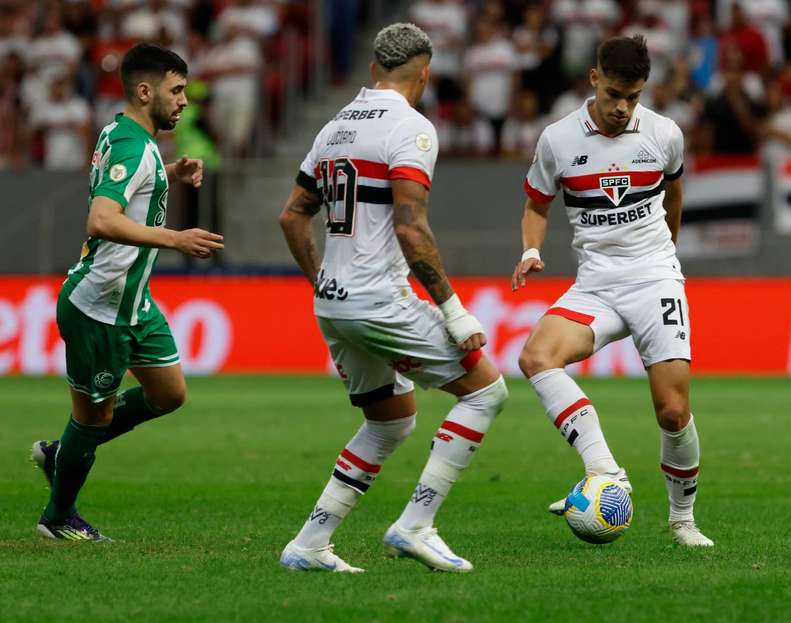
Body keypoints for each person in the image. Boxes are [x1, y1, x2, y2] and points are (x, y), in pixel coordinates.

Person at [278, 23, 506, 574]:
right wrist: (454, 310)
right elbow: (411, 228)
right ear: (424, 73)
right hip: (380, 299)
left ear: (373, 67)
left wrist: (323, 282)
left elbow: (291, 216)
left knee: (390, 420)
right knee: (485, 393)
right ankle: (416, 525)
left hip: (333, 301)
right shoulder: (412, 129)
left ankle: (309, 544)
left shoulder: (333, 129)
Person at [512, 35, 713, 547]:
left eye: (634, 96)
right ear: (594, 80)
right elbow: (537, 206)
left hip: (653, 278)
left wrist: (668, 252)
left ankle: (682, 520)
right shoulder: (557, 140)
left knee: (672, 411)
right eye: (615, 95)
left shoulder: (665, 134)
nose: (623, 107)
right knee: (536, 358)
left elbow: (674, 190)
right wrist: (531, 250)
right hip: (595, 284)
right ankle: (605, 471)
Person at [30, 43, 225, 541]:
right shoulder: (134, 146)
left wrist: (169, 173)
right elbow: (102, 218)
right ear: (145, 90)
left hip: (133, 303)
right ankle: (57, 517)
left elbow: (133, 179)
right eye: (176, 90)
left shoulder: (124, 132)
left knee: (169, 393)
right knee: (92, 418)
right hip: (99, 306)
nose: (184, 100)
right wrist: (176, 238)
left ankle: (63, 450)